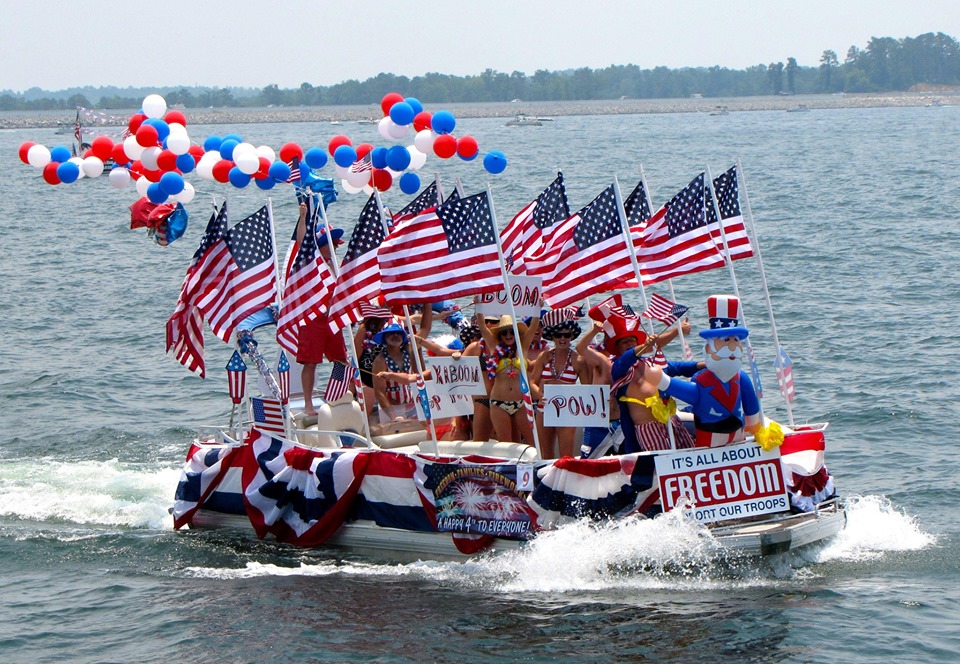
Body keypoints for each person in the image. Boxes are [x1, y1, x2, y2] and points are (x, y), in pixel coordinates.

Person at [648, 295, 764, 448]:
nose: (732, 346)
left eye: (735, 340)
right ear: (709, 349)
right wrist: (663, 380)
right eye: (725, 340)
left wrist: (756, 428)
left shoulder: (741, 377)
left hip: (738, 437)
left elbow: (751, 406)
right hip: (710, 441)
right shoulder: (702, 382)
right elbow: (687, 391)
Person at [294, 203, 346, 416]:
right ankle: (308, 405)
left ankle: (339, 396)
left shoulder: (334, 264)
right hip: (313, 318)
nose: (335, 247)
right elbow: (301, 242)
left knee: (341, 360)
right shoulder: (310, 261)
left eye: (336, 244)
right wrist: (303, 217)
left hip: (331, 318)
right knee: (311, 362)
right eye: (332, 243)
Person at [529, 315, 588, 458]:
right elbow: (532, 383)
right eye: (558, 335)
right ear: (553, 337)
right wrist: (540, 396)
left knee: (566, 456)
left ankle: (565, 479)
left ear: (571, 336)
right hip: (545, 407)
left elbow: (587, 388)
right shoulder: (544, 356)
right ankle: (546, 479)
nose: (562, 338)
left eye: (566, 335)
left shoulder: (578, 360)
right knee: (545, 454)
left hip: (567, 410)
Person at [477, 313, 540, 444]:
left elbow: (534, 326)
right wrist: (479, 309)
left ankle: (533, 465)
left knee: (532, 441)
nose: (508, 335)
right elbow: (483, 328)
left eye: (511, 331)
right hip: (499, 403)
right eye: (504, 332)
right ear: (500, 335)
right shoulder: (495, 346)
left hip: (521, 403)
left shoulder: (522, 348)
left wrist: (536, 309)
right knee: (505, 442)